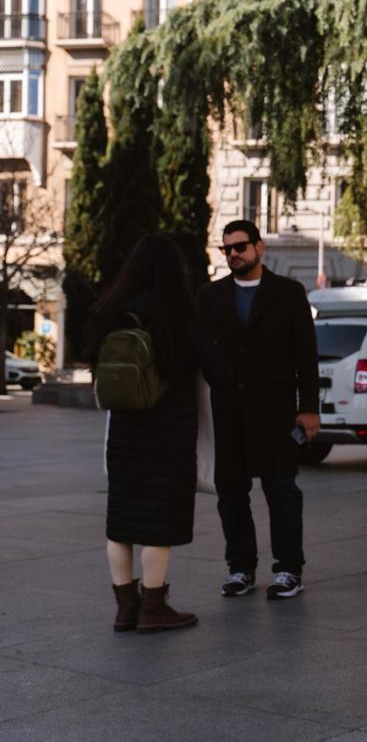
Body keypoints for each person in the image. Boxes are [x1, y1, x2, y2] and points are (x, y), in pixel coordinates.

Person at [91, 234, 232, 632]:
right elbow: (216, 370)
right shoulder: (179, 315)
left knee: (120, 522)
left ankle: (125, 608)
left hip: (123, 431)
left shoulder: (112, 311)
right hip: (169, 435)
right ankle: (153, 607)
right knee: (158, 521)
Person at [197, 220, 319, 600]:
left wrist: (309, 409)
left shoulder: (289, 293)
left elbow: (306, 355)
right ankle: (240, 568)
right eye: (227, 249)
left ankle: (288, 569)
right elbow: (202, 348)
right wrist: (220, 381)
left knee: (281, 489)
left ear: (259, 247)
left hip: (276, 411)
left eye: (240, 246)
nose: (233, 253)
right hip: (228, 411)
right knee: (230, 491)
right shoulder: (210, 296)